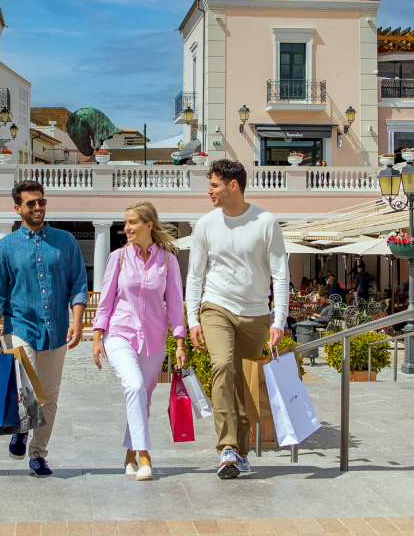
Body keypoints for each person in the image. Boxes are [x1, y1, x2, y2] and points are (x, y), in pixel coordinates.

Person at [185, 159, 288, 480]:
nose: (209, 191)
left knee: (245, 383)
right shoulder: (205, 224)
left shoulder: (266, 222)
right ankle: (227, 446)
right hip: (216, 307)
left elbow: (280, 274)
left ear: (233, 186)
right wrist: (193, 318)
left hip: (256, 314)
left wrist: (278, 320)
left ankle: (240, 454)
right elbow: (194, 276)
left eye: (214, 185)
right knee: (223, 366)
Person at [0, 180, 87, 477]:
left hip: (56, 330)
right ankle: (22, 426)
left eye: (41, 201)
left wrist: (77, 322)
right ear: (18, 208)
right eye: (31, 203)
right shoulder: (5, 247)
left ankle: (38, 454)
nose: (38, 207)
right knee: (26, 388)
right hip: (20, 327)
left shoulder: (66, 242)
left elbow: (78, 285)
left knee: (49, 397)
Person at [91, 202, 187, 481]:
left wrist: (179, 341)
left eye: (132, 222)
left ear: (148, 225)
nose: (127, 228)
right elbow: (106, 299)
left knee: (142, 398)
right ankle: (145, 456)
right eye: (125, 223)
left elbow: (174, 305)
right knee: (133, 386)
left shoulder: (168, 260)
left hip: (154, 340)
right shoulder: (118, 258)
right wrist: (97, 337)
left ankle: (130, 455)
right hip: (120, 333)